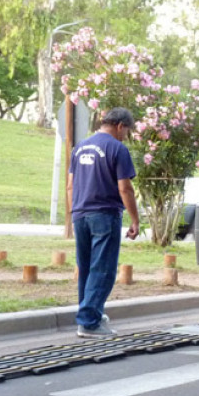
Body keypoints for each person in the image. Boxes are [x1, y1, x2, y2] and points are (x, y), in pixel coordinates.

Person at [68, 107, 140, 338]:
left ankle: (91, 314)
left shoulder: (79, 148)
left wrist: (73, 212)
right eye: (126, 131)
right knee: (103, 270)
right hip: (105, 214)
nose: (125, 136)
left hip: (80, 214)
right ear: (120, 126)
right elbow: (124, 188)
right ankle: (89, 322)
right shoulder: (117, 148)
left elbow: (70, 185)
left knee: (87, 268)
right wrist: (135, 219)